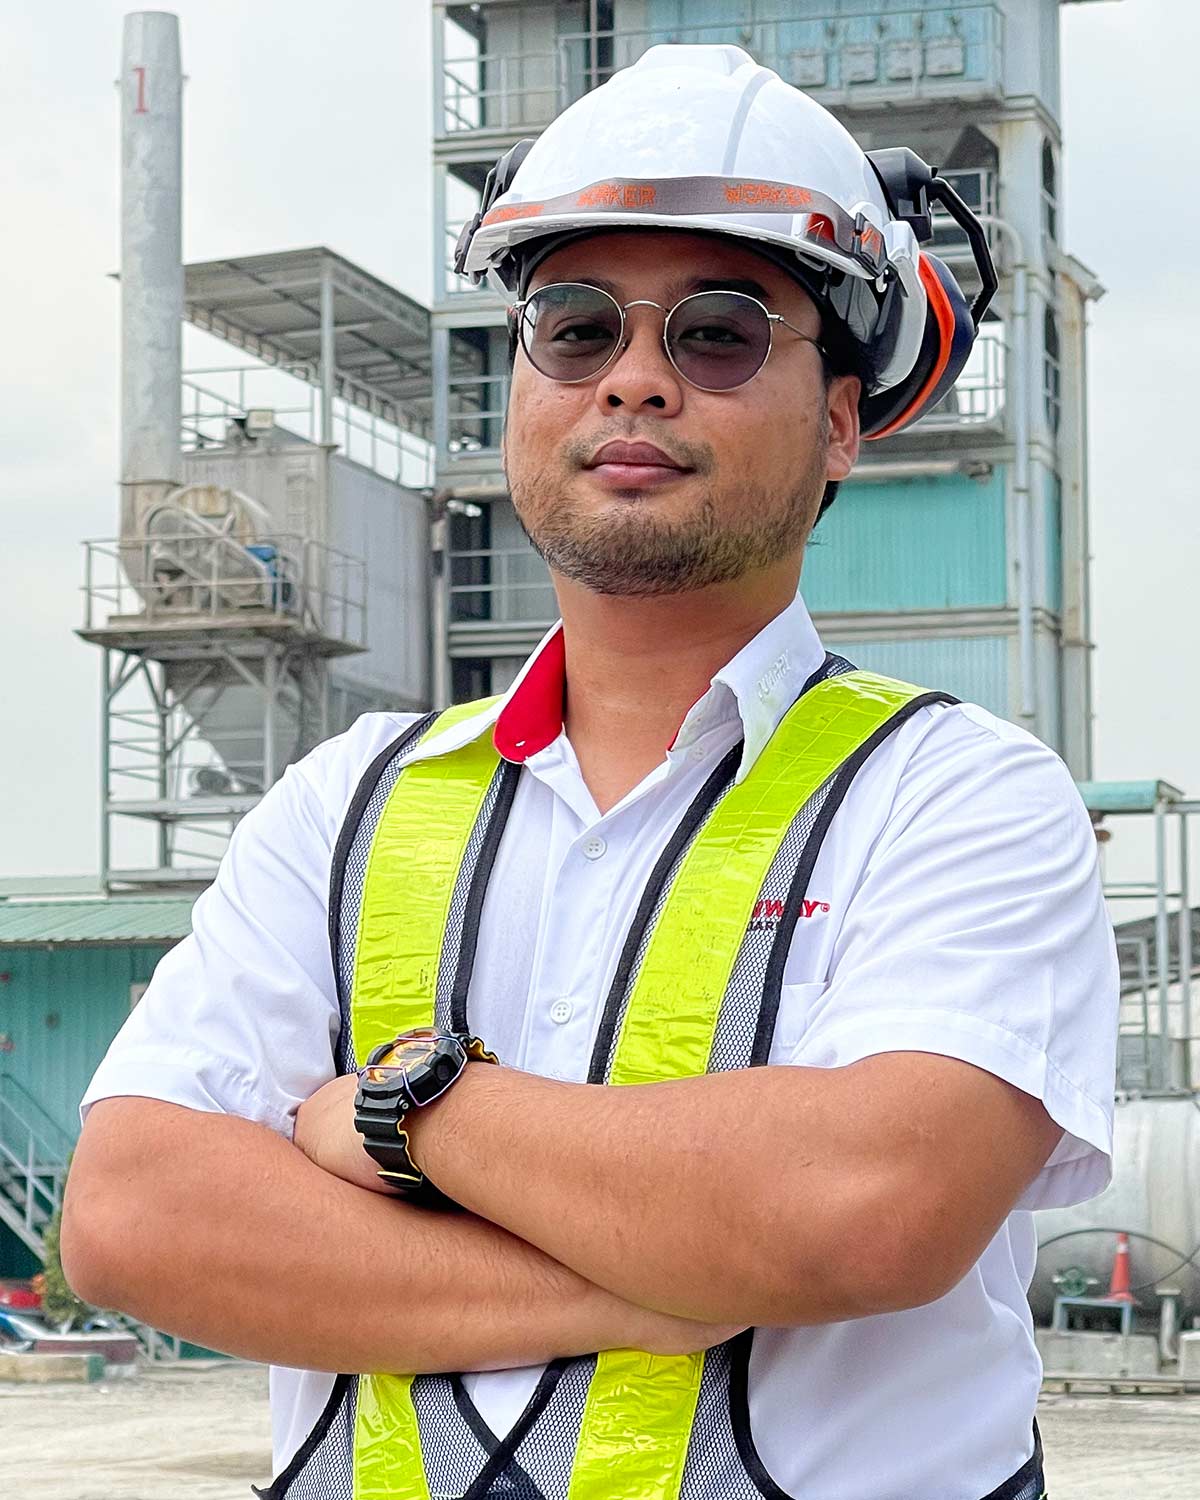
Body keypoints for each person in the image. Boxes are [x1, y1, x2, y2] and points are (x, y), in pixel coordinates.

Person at [65, 44, 1118, 1500]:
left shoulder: (960, 797)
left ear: (841, 419)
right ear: (525, 387)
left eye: (720, 334)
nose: (634, 377)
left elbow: (863, 1213)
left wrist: (403, 1109)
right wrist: (656, 1280)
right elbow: (133, 1217)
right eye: (574, 327)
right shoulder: (343, 800)